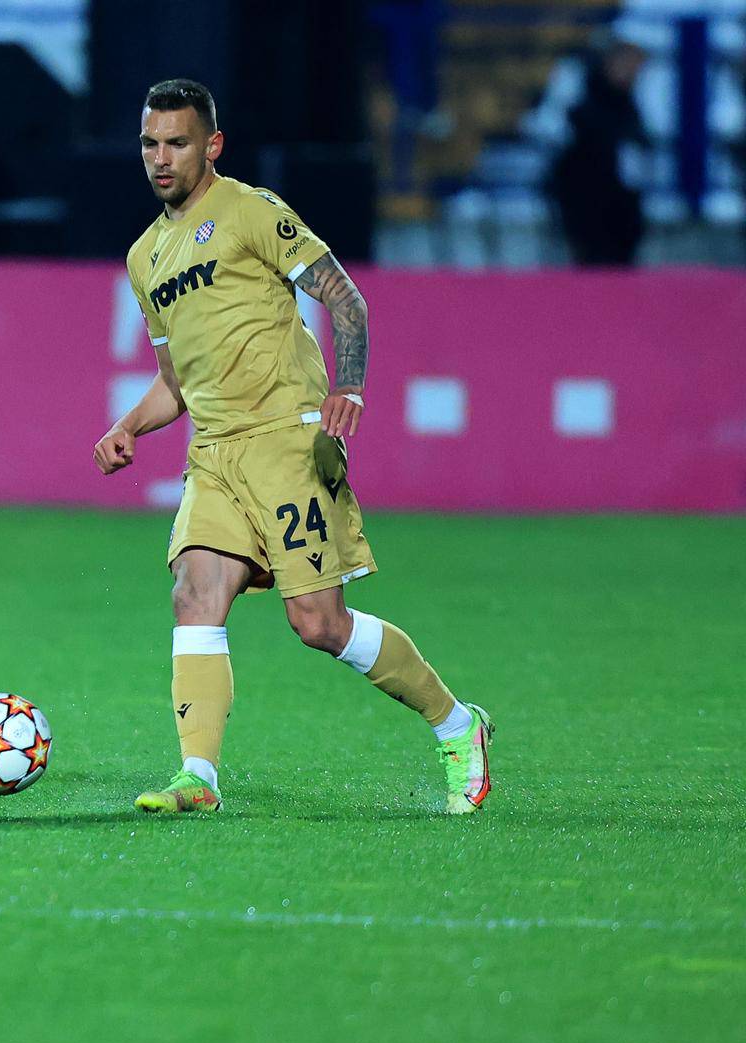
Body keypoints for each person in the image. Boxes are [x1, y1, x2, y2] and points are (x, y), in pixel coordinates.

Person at [94, 79, 492, 816]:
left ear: (211, 145)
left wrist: (351, 387)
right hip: (213, 453)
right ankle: (198, 778)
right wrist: (127, 427)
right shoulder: (145, 257)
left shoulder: (251, 210)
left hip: (285, 440)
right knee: (194, 593)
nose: (160, 157)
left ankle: (457, 723)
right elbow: (173, 383)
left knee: (318, 623)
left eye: (176, 142)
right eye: (150, 142)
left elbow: (345, 297)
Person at [549, 37, 649, 265]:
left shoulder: (630, 107)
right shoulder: (583, 106)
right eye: (625, 65)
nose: (631, 73)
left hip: (621, 212)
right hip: (587, 208)